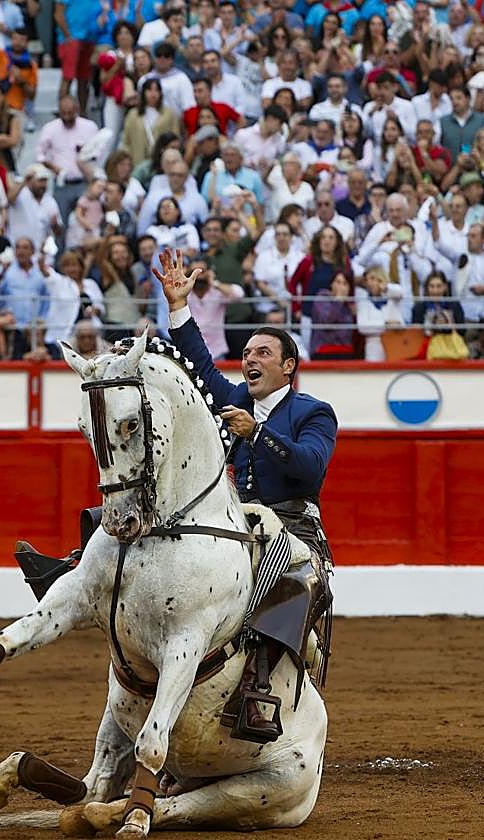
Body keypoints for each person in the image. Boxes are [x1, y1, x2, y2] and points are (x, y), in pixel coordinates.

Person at [157, 247, 337, 742]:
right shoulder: (237, 396)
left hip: (291, 526)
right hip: (237, 521)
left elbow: (310, 468)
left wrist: (258, 435)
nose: (249, 360)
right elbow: (199, 366)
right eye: (247, 352)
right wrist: (178, 308)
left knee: (290, 579)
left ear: (288, 367)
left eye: (262, 353)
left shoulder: (313, 412)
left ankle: (258, 692)